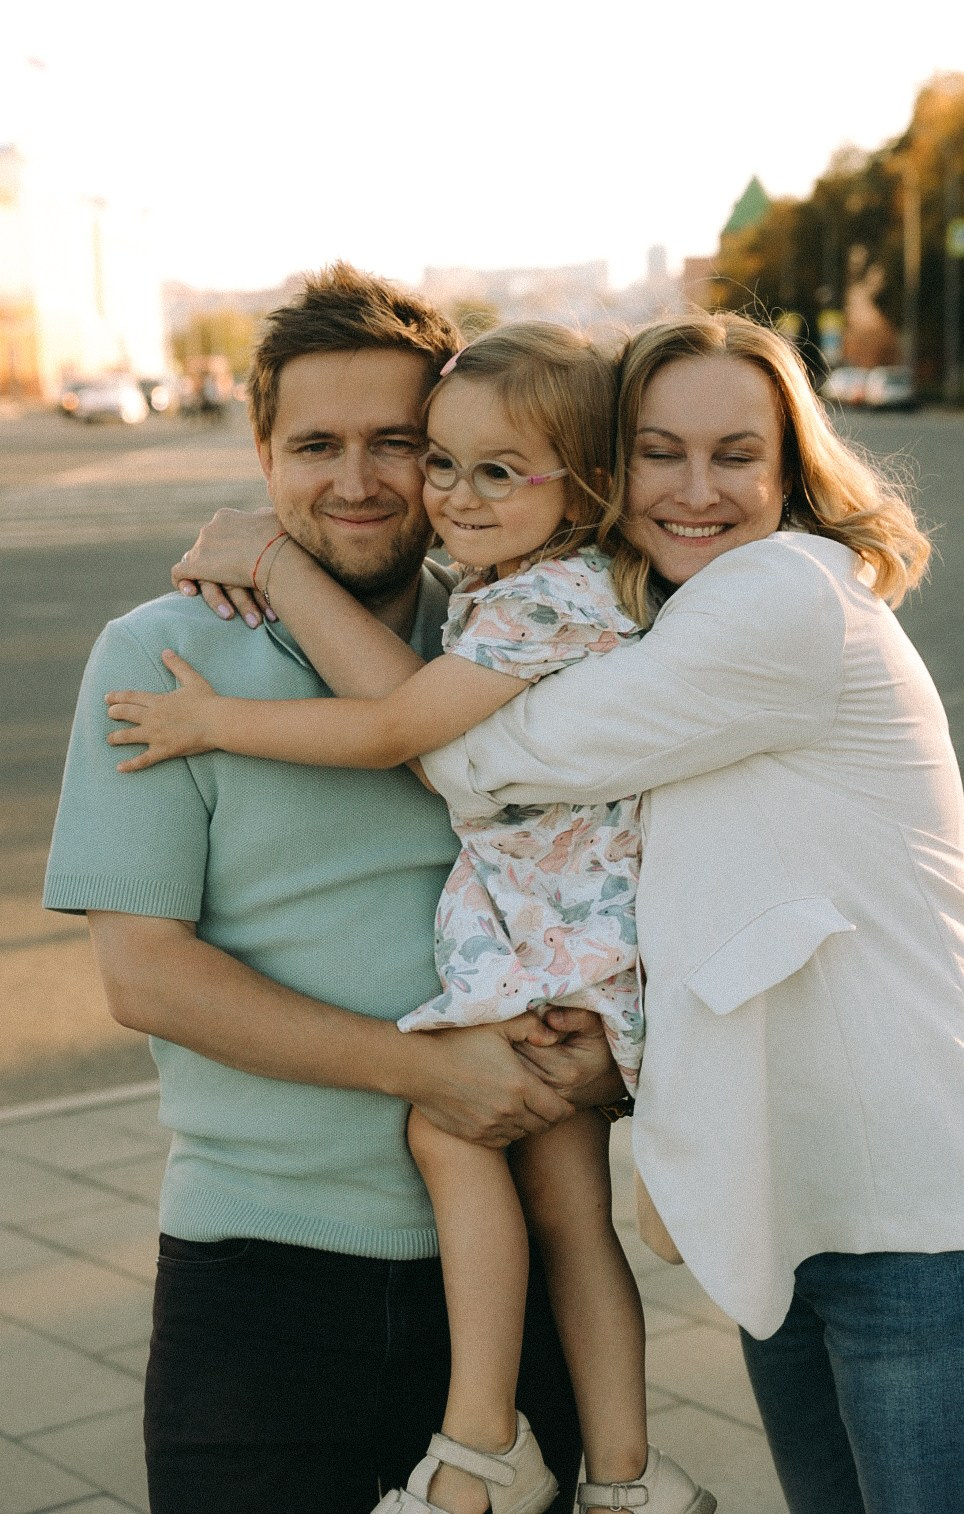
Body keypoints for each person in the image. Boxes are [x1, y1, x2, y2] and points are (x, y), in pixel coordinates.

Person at [104, 324, 716, 1514]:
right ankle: (605, 1470)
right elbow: (145, 980)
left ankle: (523, 1449)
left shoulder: (492, 610)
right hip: (263, 1271)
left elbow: (403, 724)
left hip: (497, 1261)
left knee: (556, 1215)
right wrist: (432, 1073)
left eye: (398, 442)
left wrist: (615, 1050)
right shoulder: (160, 646)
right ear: (260, 452)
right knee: (565, 1210)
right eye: (315, 443)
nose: (368, 479)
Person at [408, 314, 964, 1514]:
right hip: (792, 1205)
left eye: (735, 453)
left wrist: (280, 571)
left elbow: (473, 753)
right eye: (656, 451)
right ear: (605, 467)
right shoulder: (665, 619)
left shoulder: (782, 595)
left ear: (789, 468)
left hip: (920, 1216)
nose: (695, 489)